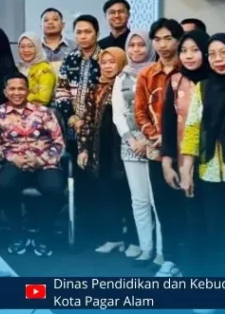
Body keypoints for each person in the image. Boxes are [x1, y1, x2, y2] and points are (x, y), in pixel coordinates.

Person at [180, 33, 225, 276]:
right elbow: (192, 129)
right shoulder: (203, 87)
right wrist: (187, 170)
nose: (219, 59)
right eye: (213, 54)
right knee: (212, 231)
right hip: (209, 171)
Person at [0, 73, 66, 257]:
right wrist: (12, 157)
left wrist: (40, 159)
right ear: (5, 92)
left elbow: (59, 143)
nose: (17, 93)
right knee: (5, 186)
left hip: (44, 162)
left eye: (21, 89)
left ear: (28, 91)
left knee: (55, 189)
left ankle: (44, 235)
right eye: (12, 89)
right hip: (13, 162)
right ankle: (18, 233)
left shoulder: (44, 112)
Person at [134, 18, 185, 276]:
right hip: (156, 150)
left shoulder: (187, 70)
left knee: (187, 208)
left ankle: (189, 261)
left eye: (168, 38)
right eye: (157, 39)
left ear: (178, 40)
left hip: (187, 150)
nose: (163, 45)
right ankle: (170, 259)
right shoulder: (147, 74)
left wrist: (171, 137)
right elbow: (140, 112)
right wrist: (156, 135)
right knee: (164, 208)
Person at [155, 25, 206, 277]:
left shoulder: (215, 81)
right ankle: (173, 259)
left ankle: (197, 267)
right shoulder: (175, 81)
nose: (189, 56)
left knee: (199, 215)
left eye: (195, 50)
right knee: (173, 211)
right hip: (177, 156)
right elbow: (167, 122)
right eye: (184, 50)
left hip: (207, 161)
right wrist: (167, 161)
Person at [77, 47, 134, 256]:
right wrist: (83, 149)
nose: (108, 66)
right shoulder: (95, 88)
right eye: (104, 62)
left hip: (127, 147)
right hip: (102, 149)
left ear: (122, 62)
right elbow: (87, 120)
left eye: (112, 62)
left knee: (128, 194)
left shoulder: (129, 85)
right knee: (107, 193)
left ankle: (133, 239)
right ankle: (114, 237)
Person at [114, 30, 163, 264]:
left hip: (156, 142)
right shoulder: (121, 76)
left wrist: (148, 140)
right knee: (139, 200)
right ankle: (146, 248)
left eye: (141, 45)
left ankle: (162, 252)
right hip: (131, 143)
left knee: (158, 201)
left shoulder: (159, 73)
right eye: (131, 45)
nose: (136, 49)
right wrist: (132, 140)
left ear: (150, 47)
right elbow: (118, 114)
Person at [56, 14, 102, 148]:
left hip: (100, 124)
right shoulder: (69, 59)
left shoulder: (106, 58)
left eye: (88, 32)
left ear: (97, 34)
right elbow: (61, 91)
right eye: (79, 32)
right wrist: (71, 118)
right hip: (73, 124)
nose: (83, 36)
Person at [15, 32, 57, 106]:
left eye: (30, 46)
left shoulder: (45, 69)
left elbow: (43, 99)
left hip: (37, 110)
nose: (26, 50)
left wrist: (17, 98)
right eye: (22, 47)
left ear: (38, 47)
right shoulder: (17, 67)